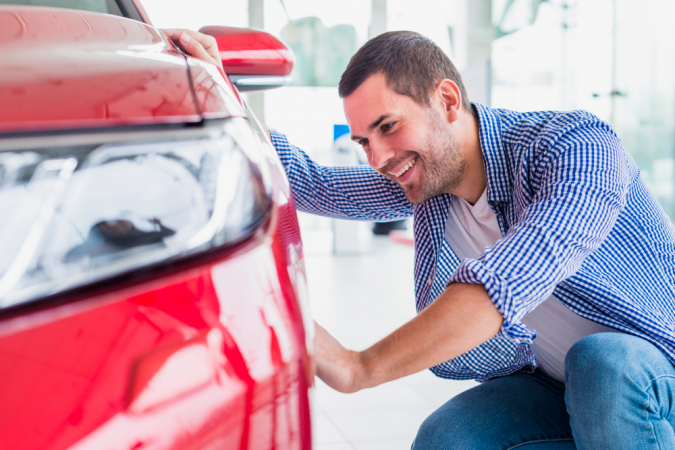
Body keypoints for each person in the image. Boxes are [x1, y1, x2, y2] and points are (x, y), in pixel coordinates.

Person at [167, 28, 675, 449]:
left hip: (653, 371)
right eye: (365, 140)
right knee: (446, 438)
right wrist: (213, 88)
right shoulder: (430, 183)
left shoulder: (575, 149)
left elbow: (510, 278)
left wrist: (359, 367)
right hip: (554, 382)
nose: (378, 157)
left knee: (605, 364)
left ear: (447, 99)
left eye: (388, 127)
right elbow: (309, 182)